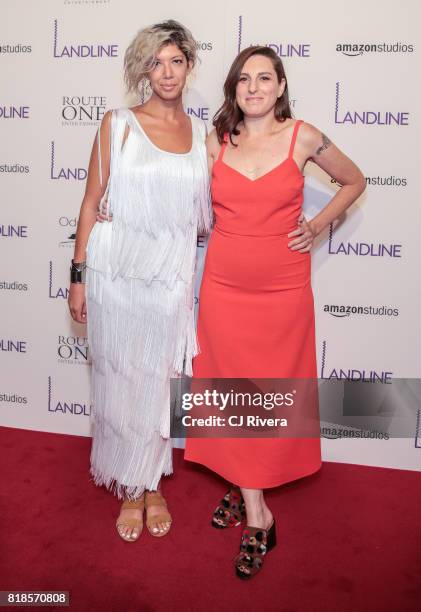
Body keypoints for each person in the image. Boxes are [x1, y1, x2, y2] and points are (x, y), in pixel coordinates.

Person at [184, 45, 366, 578]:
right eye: (245, 79)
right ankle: (255, 503)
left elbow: (355, 181)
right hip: (223, 288)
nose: (255, 87)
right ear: (234, 88)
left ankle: (254, 507)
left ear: (281, 85)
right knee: (231, 389)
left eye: (265, 78)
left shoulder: (304, 136)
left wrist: (316, 226)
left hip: (283, 292)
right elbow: (186, 203)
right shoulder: (217, 140)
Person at [68, 20, 210, 543]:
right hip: (116, 274)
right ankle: (133, 485)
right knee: (122, 377)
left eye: (176, 61)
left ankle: (153, 480)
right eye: (156, 62)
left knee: (160, 381)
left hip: (171, 276)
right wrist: (79, 275)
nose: (166, 72)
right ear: (142, 68)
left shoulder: (204, 135)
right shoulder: (118, 124)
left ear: (189, 66)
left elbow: (222, 201)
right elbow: (89, 201)